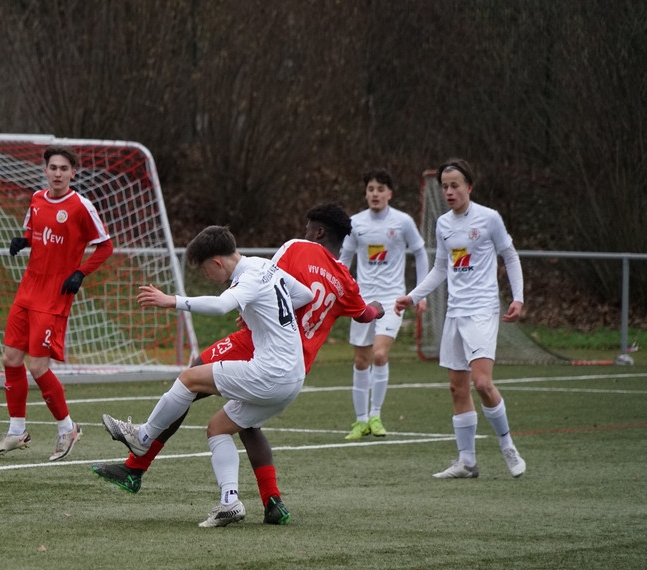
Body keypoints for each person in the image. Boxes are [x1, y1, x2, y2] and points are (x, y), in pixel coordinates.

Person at [94, 204, 383, 525]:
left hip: (264, 354)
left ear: (318, 232)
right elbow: (346, 308)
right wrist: (378, 307)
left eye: (307, 229)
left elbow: (237, 296)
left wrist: (177, 301)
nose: (303, 234)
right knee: (226, 425)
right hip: (296, 368)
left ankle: (140, 450)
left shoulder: (295, 250)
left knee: (190, 379)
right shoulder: (341, 280)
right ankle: (252, 500)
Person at [395, 158, 526, 479]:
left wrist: (518, 297)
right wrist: (413, 296)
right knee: (457, 388)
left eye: (455, 185)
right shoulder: (443, 224)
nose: (449, 192)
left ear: (469, 187)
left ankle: (508, 447)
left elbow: (510, 255)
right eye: (445, 187)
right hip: (455, 312)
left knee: (482, 383)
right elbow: (441, 268)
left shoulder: (489, 218)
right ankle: (466, 461)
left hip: (482, 310)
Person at [0, 145, 113, 462]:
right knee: (11, 358)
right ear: (45, 171)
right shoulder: (37, 199)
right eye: (52, 167)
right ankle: (17, 431)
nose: (57, 173)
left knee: (38, 366)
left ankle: (68, 429)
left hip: (54, 296)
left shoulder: (81, 206)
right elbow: (34, 232)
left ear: (73, 173)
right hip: (27, 290)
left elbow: (105, 246)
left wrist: (81, 273)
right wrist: (23, 241)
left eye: (63, 168)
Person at [340, 169, 429, 440]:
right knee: (361, 360)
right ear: (365, 193)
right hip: (362, 300)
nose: (375, 194)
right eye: (371, 189)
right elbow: (344, 259)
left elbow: (421, 253)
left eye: (380, 189)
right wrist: (339, 291)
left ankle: (376, 415)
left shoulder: (403, 222)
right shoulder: (355, 223)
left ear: (389, 193)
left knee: (379, 355)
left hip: (392, 299)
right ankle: (360, 421)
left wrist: (420, 293)